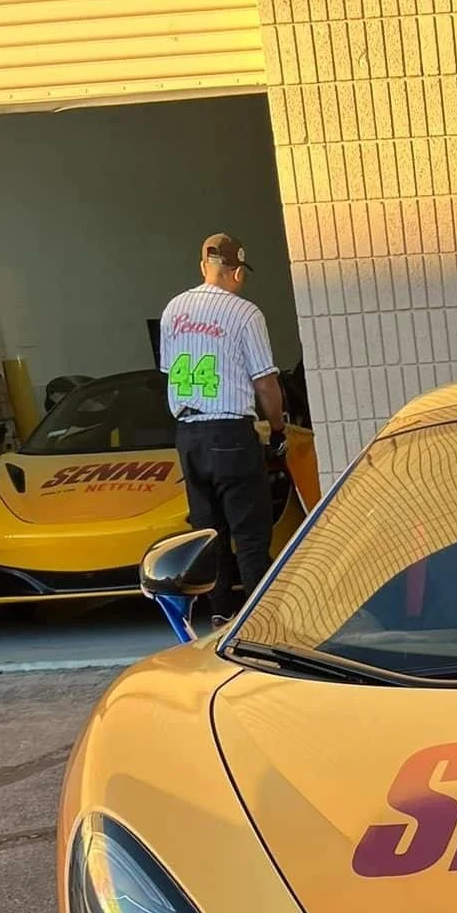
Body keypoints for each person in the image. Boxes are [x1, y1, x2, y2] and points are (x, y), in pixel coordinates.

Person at [159, 233, 286, 628]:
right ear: (235, 272)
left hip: (188, 435)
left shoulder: (172, 310)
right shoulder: (245, 313)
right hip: (230, 430)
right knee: (249, 532)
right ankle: (258, 620)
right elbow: (265, 381)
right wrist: (278, 427)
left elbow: (167, 372)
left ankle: (218, 612)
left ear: (202, 267)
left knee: (208, 530)